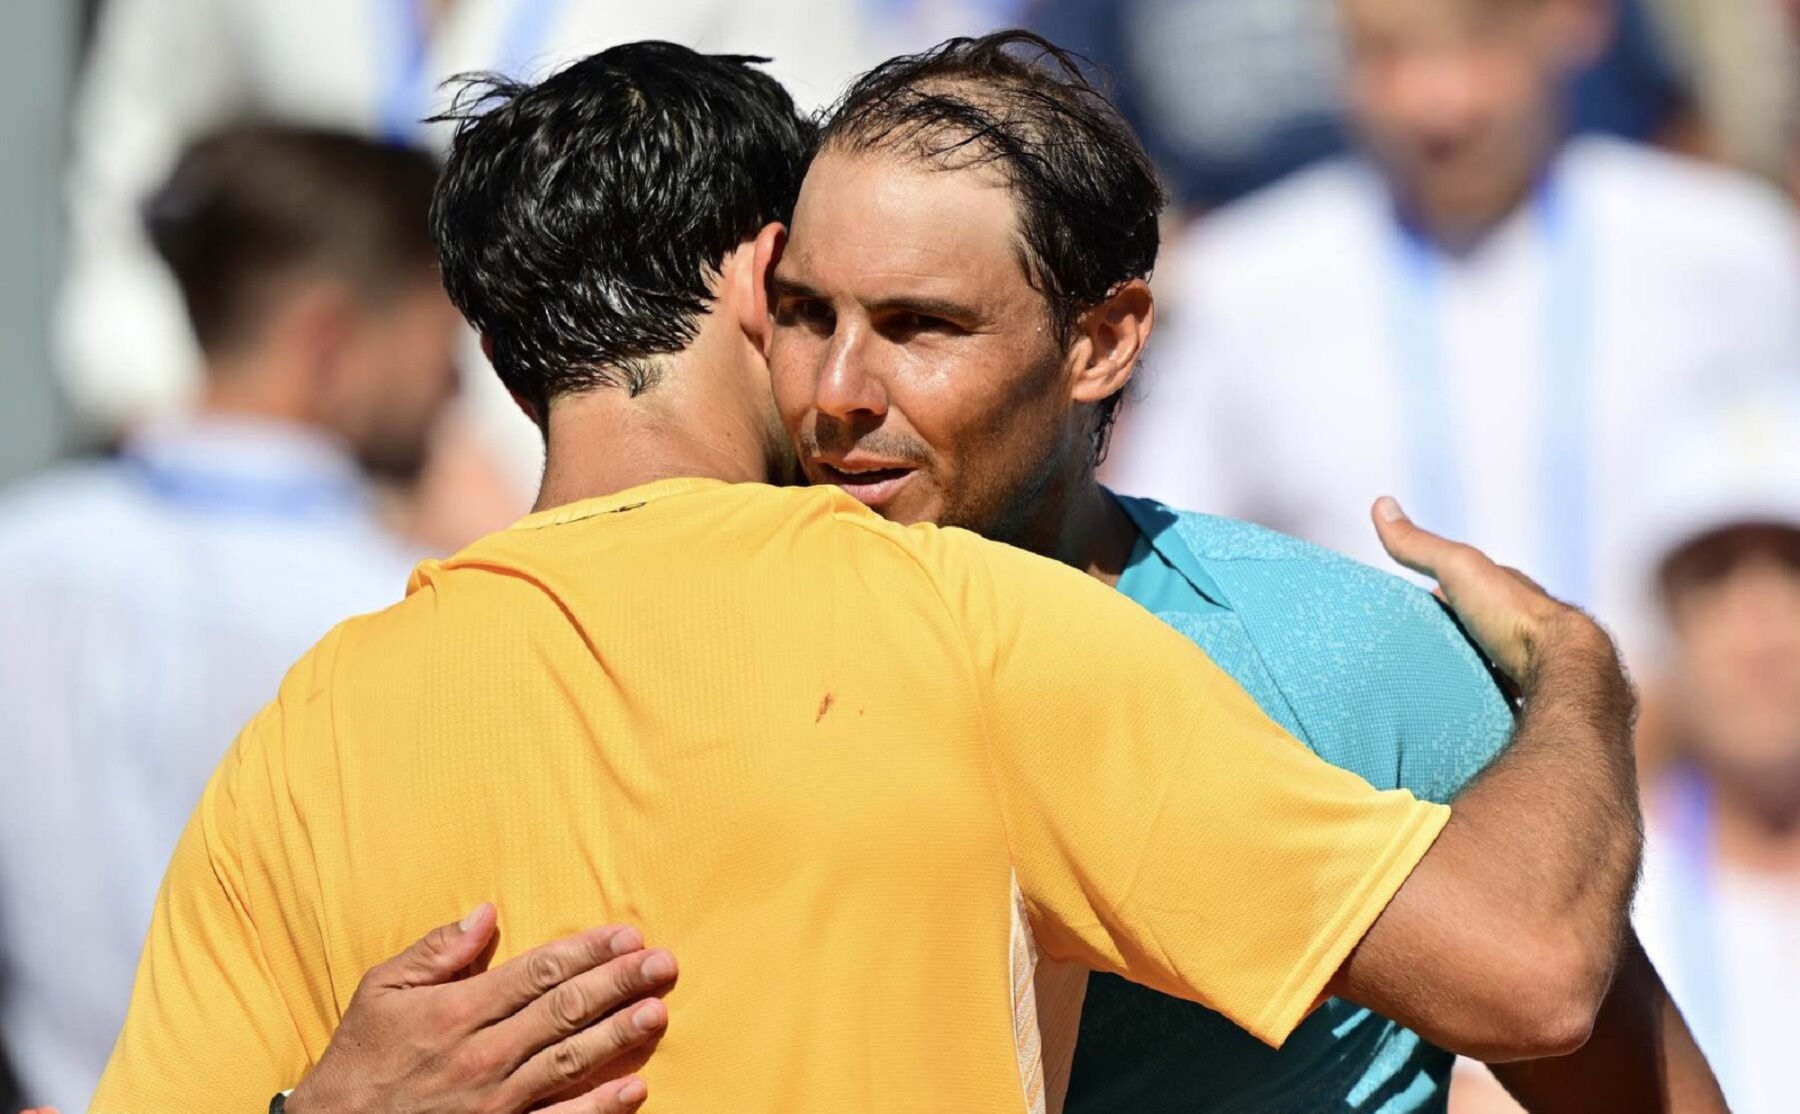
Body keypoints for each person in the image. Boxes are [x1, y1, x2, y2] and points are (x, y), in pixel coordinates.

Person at [93, 42, 1645, 1114]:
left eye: (912, 322)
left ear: (498, 352)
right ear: (756, 286)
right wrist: (1576, 671)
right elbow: (1536, 971)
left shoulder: (310, 728)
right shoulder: (970, 628)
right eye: (819, 307)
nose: (844, 382)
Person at [0, 124, 467, 1112]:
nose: (455, 381)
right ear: (331, 341)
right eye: (441, 335)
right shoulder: (410, 604)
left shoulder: (21, 555)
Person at [1108, 0, 1800, 663]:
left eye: (1480, 42)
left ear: (1574, 21)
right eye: (1388, 52)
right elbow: (1165, 574)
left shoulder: (1730, 250)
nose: (1440, 104)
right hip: (1365, 772)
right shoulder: (1244, 281)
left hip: (1678, 771)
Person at [1631, 389, 1800, 1114]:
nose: (1760, 635)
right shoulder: (1594, 906)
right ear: (1668, 622)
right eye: (1715, 578)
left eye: (1796, 574)